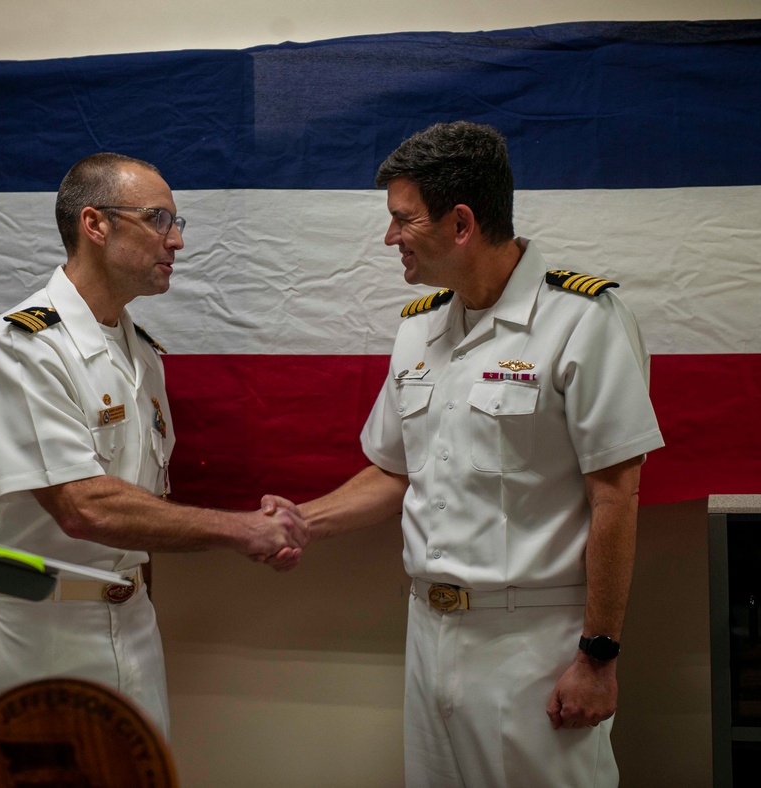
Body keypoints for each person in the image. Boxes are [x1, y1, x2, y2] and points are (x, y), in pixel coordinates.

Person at [272, 122, 664, 786]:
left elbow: (615, 497)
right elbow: (394, 471)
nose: (389, 237)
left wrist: (598, 656)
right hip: (429, 632)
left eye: (402, 220)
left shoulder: (581, 321)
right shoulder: (419, 327)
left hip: (534, 644)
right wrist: (301, 522)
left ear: (460, 224)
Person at [0, 152, 308, 736]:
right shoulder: (22, 348)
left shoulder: (138, 351)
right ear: (95, 225)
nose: (177, 242)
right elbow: (84, 506)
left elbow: (141, 503)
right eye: (159, 220)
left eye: (177, 224)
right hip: (39, 637)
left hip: (132, 623)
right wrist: (243, 530)